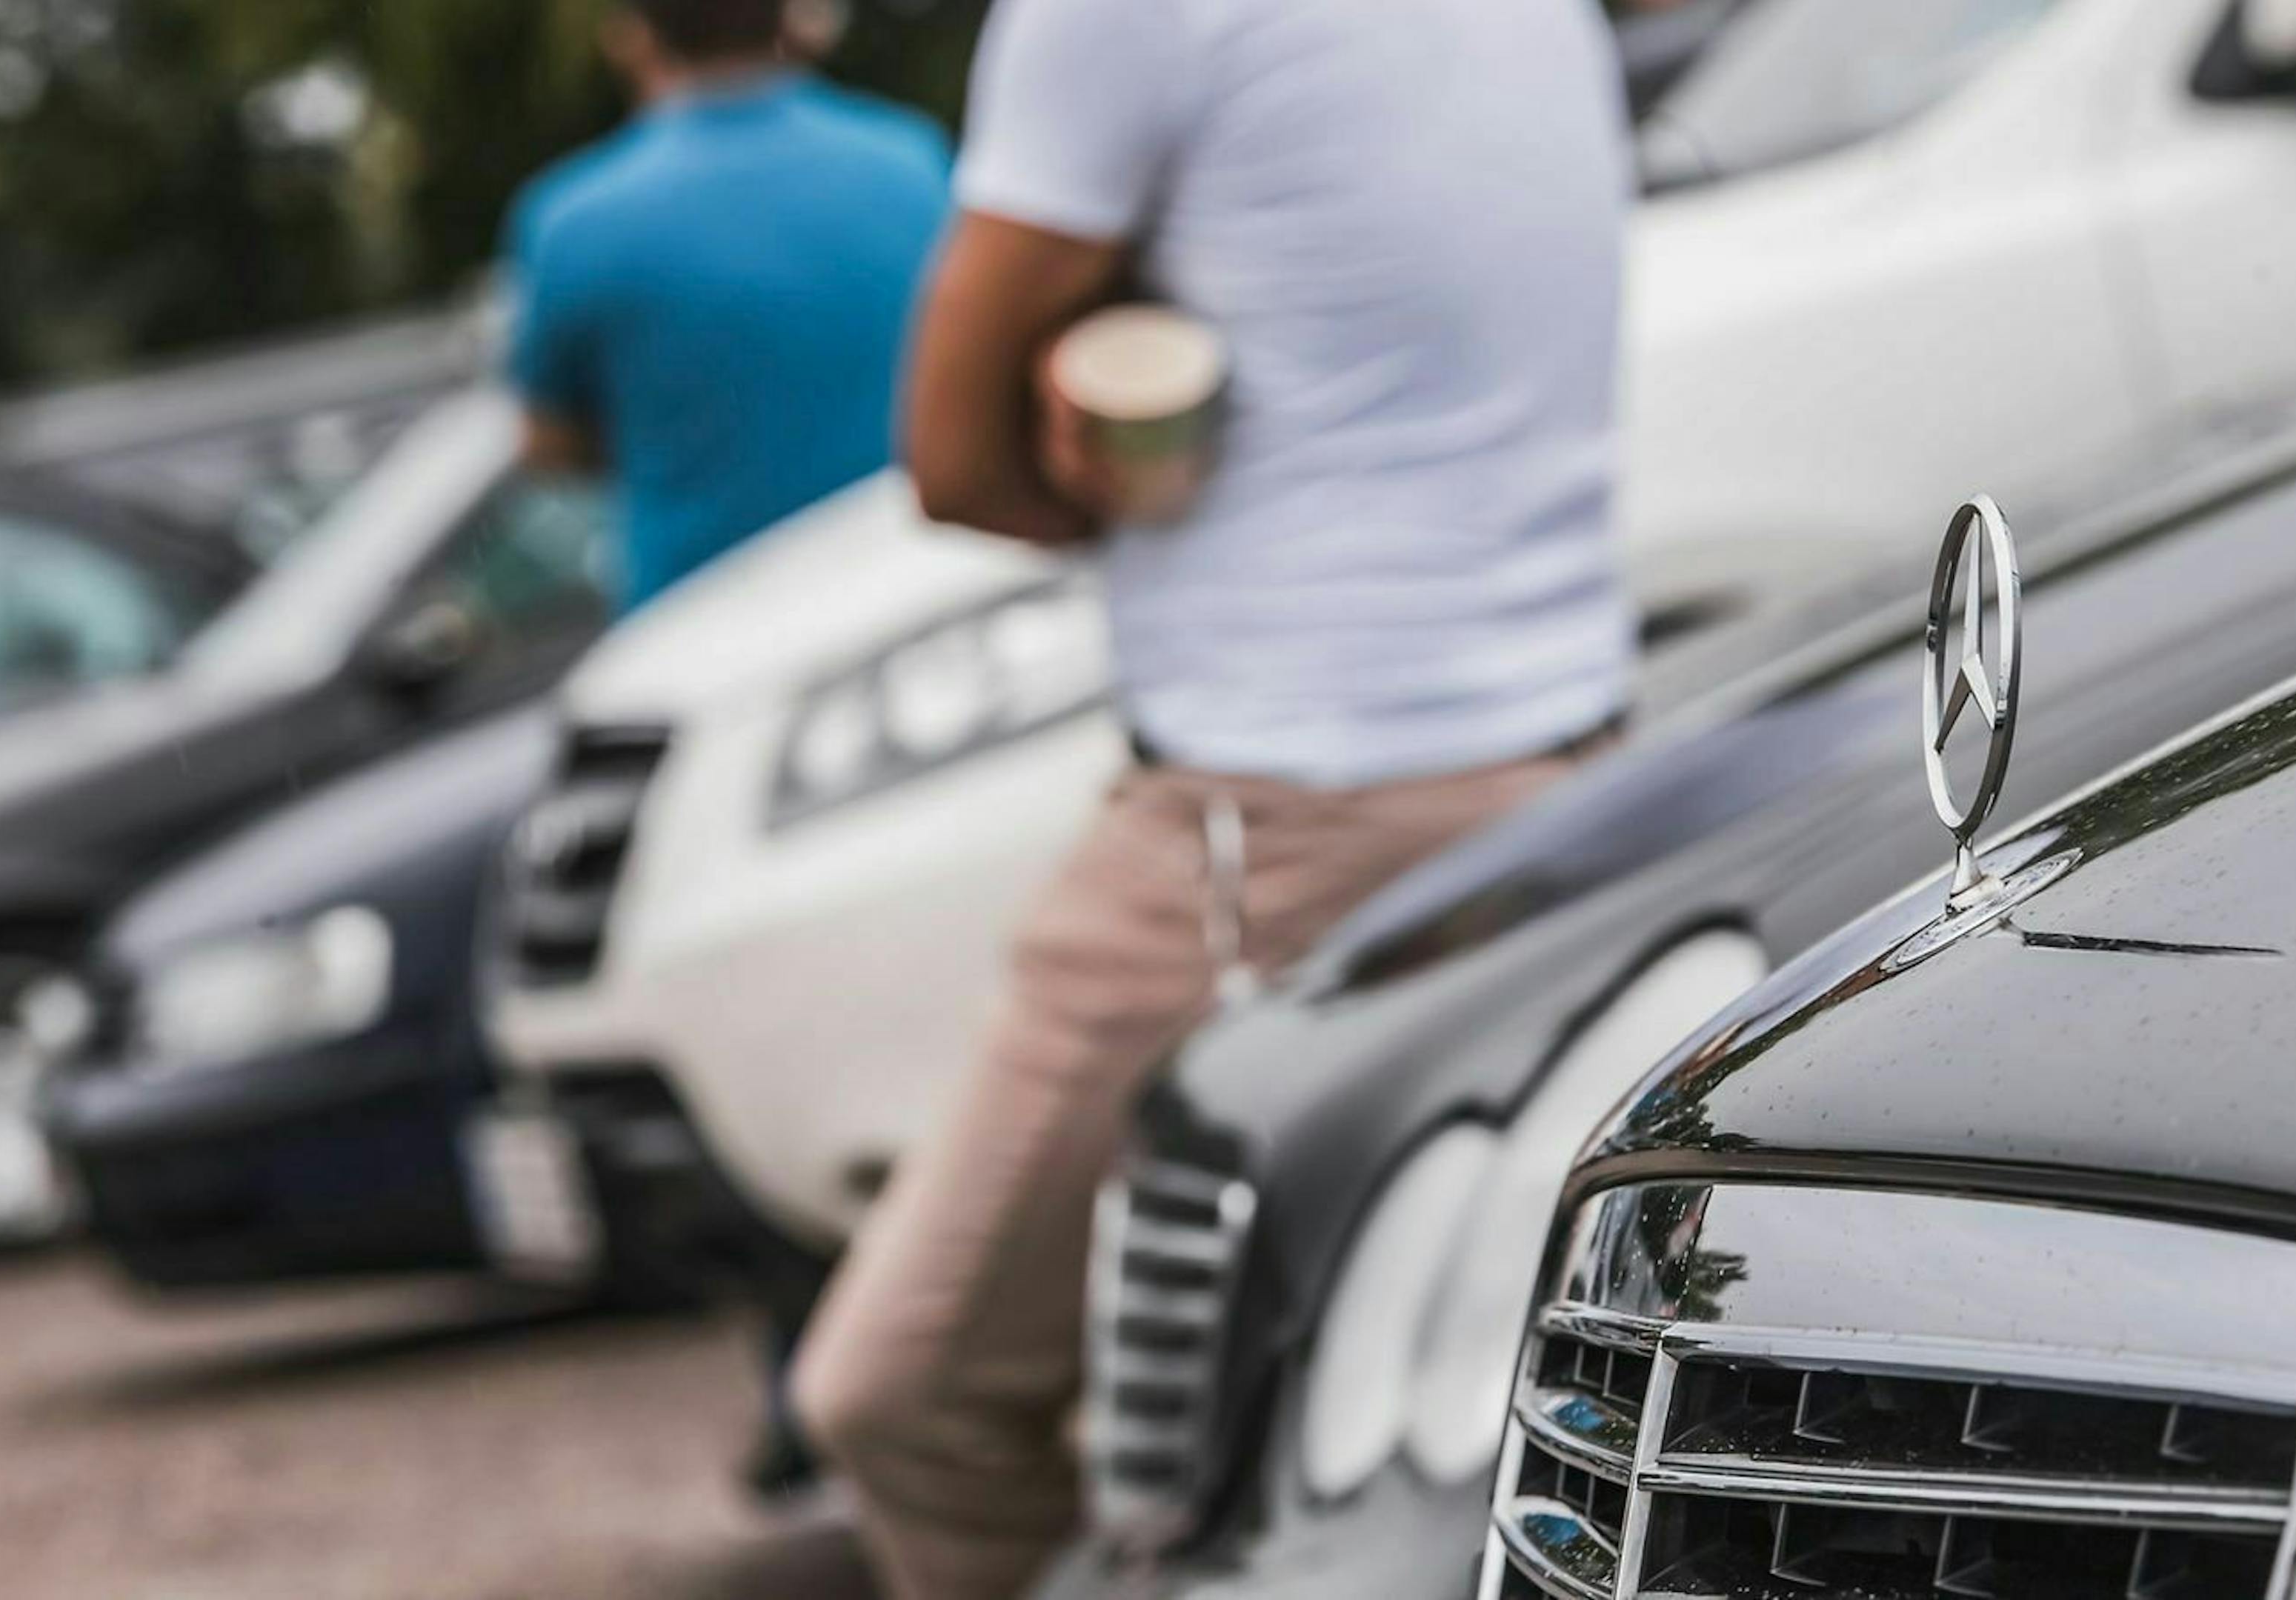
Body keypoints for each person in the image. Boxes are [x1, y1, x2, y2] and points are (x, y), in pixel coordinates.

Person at [786, 0, 1640, 1593]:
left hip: (1280, 817)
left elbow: (954, 455)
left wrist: (1089, 458)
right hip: (1565, 770)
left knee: (905, 1393)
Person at [504, 0, 951, 611]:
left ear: (631, 38)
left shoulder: (571, 220)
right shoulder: (915, 159)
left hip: (697, 619)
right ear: (791, 21)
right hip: (921, 596)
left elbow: (550, 445)